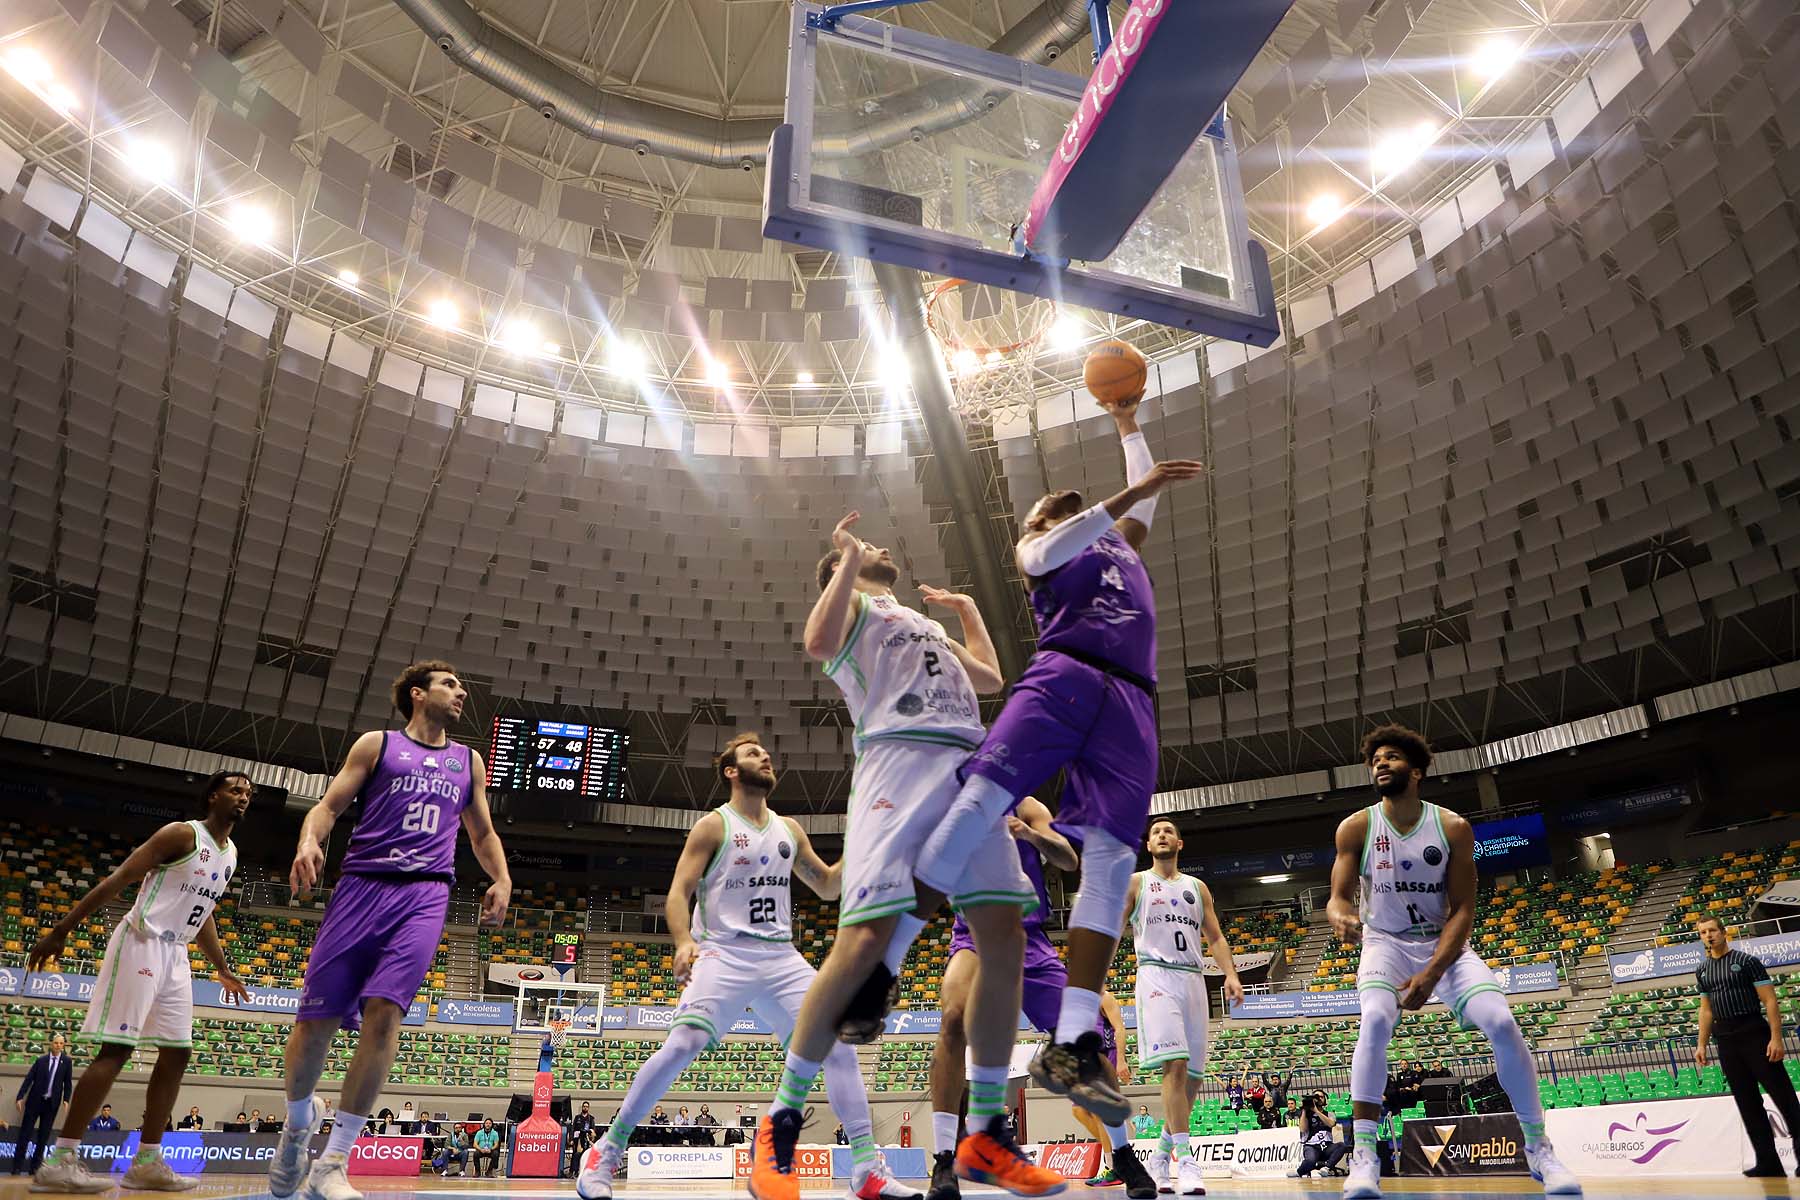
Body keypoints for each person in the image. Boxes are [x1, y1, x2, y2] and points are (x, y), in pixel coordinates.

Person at [851, 392, 1205, 1131]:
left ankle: (1074, 1037)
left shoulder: (1119, 546)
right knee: (980, 801)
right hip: (1063, 674)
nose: (1060, 503)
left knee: (1111, 855)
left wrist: (1128, 423)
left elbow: (1146, 507)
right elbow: (1053, 542)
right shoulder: (1040, 549)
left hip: (1133, 699)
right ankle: (883, 971)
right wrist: (1130, 490)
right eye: (1051, 505)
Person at [749, 526, 1056, 1200]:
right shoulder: (854, 610)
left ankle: (984, 1132)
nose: (886, 549)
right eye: (869, 550)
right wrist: (848, 563)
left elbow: (991, 677)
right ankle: (780, 1123)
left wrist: (968, 612)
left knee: (1004, 934)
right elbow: (817, 643)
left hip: (966, 769)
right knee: (862, 941)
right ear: (844, 567)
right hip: (898, 764)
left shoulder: (916, 619)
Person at [579, 733, 912, 1200]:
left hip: (780, 956)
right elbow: (678, 893)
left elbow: (829, 887)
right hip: (723, 951)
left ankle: (865, 1167)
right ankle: (605, 1152)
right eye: (754, 754)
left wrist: (866, 840)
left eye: (767, 753)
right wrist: (681, 941)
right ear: (731, 771)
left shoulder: (789, 830)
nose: (766, 757)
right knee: (685, 1042)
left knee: (839, 1043)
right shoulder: (713, 826)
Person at [269, 661, 511, 1200]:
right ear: (417, 694)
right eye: (451, 683)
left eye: (461, 682)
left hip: (426, 893)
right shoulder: (377, 745)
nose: (462, 690)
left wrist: (502, 876)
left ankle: (333, 1164)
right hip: (361, 886)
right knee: (316, 1023)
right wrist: (310, 840)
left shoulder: (467, 760)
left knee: (384, 1014)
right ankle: (295, 1125)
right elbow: (328, 807)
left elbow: (483, 832)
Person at [1327, 725, 1578, 1200]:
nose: (1381, 763)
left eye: (1392, 757)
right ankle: (1363, 1158)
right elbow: (1337, 898)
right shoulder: (1357, 827)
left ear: (1417, 771)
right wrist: (1340, 916)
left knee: (1502, 1022)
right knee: (1376, 1021)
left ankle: (1539, 1148)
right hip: (1384, 941)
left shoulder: (1452, 828)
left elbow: (1463, 909)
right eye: (1375, 758)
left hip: (1444, 945)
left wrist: (1432, 973)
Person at [25, 772, 254, 1192]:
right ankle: (60, 1161)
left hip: (177, 955)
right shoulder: (182, 835)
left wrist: (221, 966)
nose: (244, 797)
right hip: (142, 942)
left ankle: (147, 1161)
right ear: (214, 796)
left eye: (249, 793)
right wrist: (62, 929)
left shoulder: (230, 854)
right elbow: (120, 879)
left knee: (178, 1054)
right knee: (117, 1049)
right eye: (236, 789)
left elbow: (202, 913)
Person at [923, 798, 1153, 1200]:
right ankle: (945, 1161)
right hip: (974, 935)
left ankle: (1123, 1154)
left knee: (1087, 1044)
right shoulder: (950, 800)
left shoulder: (1026, 804)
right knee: (953, 1020)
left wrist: (1029, 834)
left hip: (1031, 941)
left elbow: (1066, 858)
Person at [1129, 819, 1243, 1196]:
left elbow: (1215, 936)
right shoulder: (1137, 883)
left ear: (1179, 842)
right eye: (1155, 832)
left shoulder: (1197, 887)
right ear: (1149, 845)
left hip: (1193, 979)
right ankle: (1186, 1160)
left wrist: (1230, 975)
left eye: (1167, 831)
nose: (1161, 835)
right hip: (1156, 976)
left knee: (1193, 1079)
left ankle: (1160, 1155)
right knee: (1174, 1066)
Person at [1693, 914, 1800, 1176]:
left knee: (1784, 1097)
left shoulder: (1747, 962)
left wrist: (1776, 1038)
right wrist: (1701, 1044)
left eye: (1712, 930)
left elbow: (1770, 1001)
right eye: (1704, 932)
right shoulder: (1703, 970)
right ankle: (1768, 1163)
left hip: (1754, 1031)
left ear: (1724, 932)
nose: (1709, 935)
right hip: (1726, 1039)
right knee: (1747, 1102)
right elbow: (1706, 1010)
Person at [1061, 991, 1146, 1194]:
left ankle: (1112, 1167)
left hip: (1105, 1055)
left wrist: (1122, 1060)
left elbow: (1119, 1028)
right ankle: (1117, 1159)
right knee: (1079, 1111)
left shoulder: (1104, 997)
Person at [12, 1034, 73, 1178]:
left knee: (43, 1137)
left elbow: (68, 1083)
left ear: (63, 1045)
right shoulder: (41, 1061)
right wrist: (20, 1097)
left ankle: (34, 1168)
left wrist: (66, 1099)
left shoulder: (67, 1062)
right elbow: (29, 1079)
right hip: (34, 1102)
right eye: (56, 1043)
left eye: (61, 1043)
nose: (58, 1045)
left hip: (51, 1105)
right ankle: (16, 1167)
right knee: (25, 1135)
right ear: (51, 1044)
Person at [1293, 1093, 1347, 1178]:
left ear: (1325, 1100)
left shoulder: (1329, 1113)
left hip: (1327, 1146)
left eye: (1321, 1097)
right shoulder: (1307, 1115)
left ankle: (1327, 1168)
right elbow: (1303, 1129)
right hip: (1312, 1146)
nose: (1319, 1099)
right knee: (1310, 1161)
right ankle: (1298, 1172)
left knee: (1341, 1145)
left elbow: (1331, 1124)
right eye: (1317, 1097)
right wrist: (1304, 1110)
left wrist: (1317, 1111)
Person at [566, 1104, 597, 1177]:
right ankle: (572, 1171)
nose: (585, 1108)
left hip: (586, 1139)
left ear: (588, 1108)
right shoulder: (577, 1117)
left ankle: (582, 1171)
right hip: (577, 1139)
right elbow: (573, 1128)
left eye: (587, 1107)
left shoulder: (590, 1118)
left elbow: (593, 1129)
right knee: (575, 1155)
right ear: (582, 1107)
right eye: (584, 1106)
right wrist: (571, 1139)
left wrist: (590, 1136)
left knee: (584, 1155)